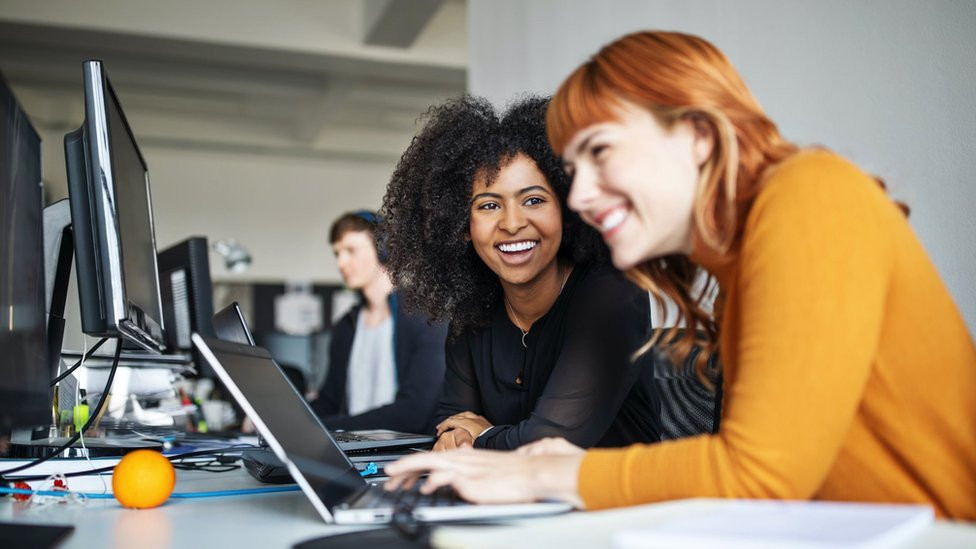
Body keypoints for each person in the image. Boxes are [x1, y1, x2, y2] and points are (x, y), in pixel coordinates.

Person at [384, 31, 976, 519]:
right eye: (575, 169)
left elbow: (759, 472)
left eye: (601, 152)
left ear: (697, 135)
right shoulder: (744, 264)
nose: (581, 196)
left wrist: (543, 471)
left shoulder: (808, 197)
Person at [380, 96, 662, 451]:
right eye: (489, 205)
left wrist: (481, 436)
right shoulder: (472, 315)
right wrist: (468, 440)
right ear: (462, 226)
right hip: (509, 488)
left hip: (612, 488)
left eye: (533, 200)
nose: (512, 224)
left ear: (568, 210)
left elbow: (550, 444)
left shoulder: (613, 295)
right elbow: (451, 430)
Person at [309, 211, 448, 434]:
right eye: (337, 254)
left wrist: (325, 428)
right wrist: (282, 421)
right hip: (350, 448)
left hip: (406, 450)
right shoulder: (346, 326)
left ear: (383, 249)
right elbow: (329, 402)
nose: (341, 263)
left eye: (351, 250)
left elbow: (414, 413)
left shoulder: (425, 318)